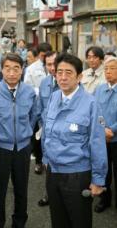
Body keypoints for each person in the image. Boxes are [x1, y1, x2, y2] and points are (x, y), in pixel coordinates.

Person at [43, 53, 108, 228]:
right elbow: (47, 133)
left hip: (77, 175)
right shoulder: (54, 97)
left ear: (79, 77)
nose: (63, 77)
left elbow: (98, 143)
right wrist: (45, 160)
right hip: (53, 173)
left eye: (69, 73)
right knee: (58, 221)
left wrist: (98, 180)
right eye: (59, 72)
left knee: (79, 222)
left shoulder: (91, 104)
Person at [0, 53, 37, 228]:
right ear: (2, 69)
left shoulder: (29, 92)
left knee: (21, 188)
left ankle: (19, 222)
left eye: (16, 68)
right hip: (0, 148)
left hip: (23, 147)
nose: (12, 73)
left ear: (22, 70)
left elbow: (33, 116)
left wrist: (24, 132)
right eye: (8, 68)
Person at [24, 42, 52, 174]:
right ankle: (39, 162)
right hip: (37, 106)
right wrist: (40, 90)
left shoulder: (57, 67)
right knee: (38, 136)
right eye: (42, 55)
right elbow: (27, 87)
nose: (45, 58)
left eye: (47, 55)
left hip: (52, 108)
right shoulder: (32, 68)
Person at [94, 56, 117, 213]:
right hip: (102, 138)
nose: (108, 72)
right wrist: (103, 129)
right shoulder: (100, 89)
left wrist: (113, 130)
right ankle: (105, 199)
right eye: (106, 69)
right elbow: (97, 111)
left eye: (113, 68)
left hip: (116, 138)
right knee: (104, 170)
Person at [37, 51, 58, 207]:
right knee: (48, 166)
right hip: (46, 133)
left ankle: (63, 196)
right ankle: (48, 194)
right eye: (49, 64)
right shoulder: (44, 82)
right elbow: (40, 108)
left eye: (55, 63)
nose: (52, 67)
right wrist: (40, 126)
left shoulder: (70, 82)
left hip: (64, 134)